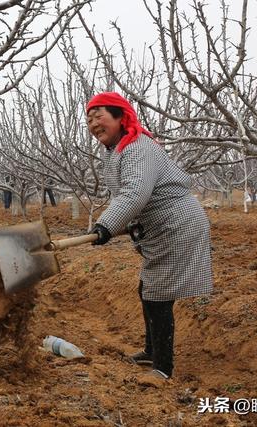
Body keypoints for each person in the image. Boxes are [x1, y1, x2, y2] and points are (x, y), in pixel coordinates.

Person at [85, 92, 213, 380]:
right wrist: (106, 228)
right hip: (161, 226)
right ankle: (151, 350)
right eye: (90, 119)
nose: (93, 123)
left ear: (120, 116)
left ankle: (162, 367)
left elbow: (135, 193)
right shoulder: (119, 150)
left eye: (99, 116)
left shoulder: (138, 146)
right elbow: (129, 198)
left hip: (177, 225)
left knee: (157, 295)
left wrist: (106, 224)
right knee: (148, 289)